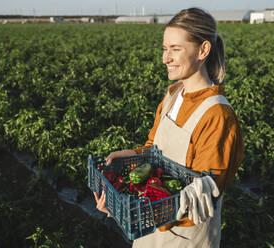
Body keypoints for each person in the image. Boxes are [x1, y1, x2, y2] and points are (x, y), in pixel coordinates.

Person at [94, 7, 243, 248]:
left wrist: (134, 209)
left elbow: (205, 194)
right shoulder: (173, 95)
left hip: (185, 238)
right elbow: (154, 149)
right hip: (151, 230)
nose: (165, 58)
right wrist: (130, 157)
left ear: (203, 50)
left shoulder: (217, 115)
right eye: (165, 49)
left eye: (175, 49)